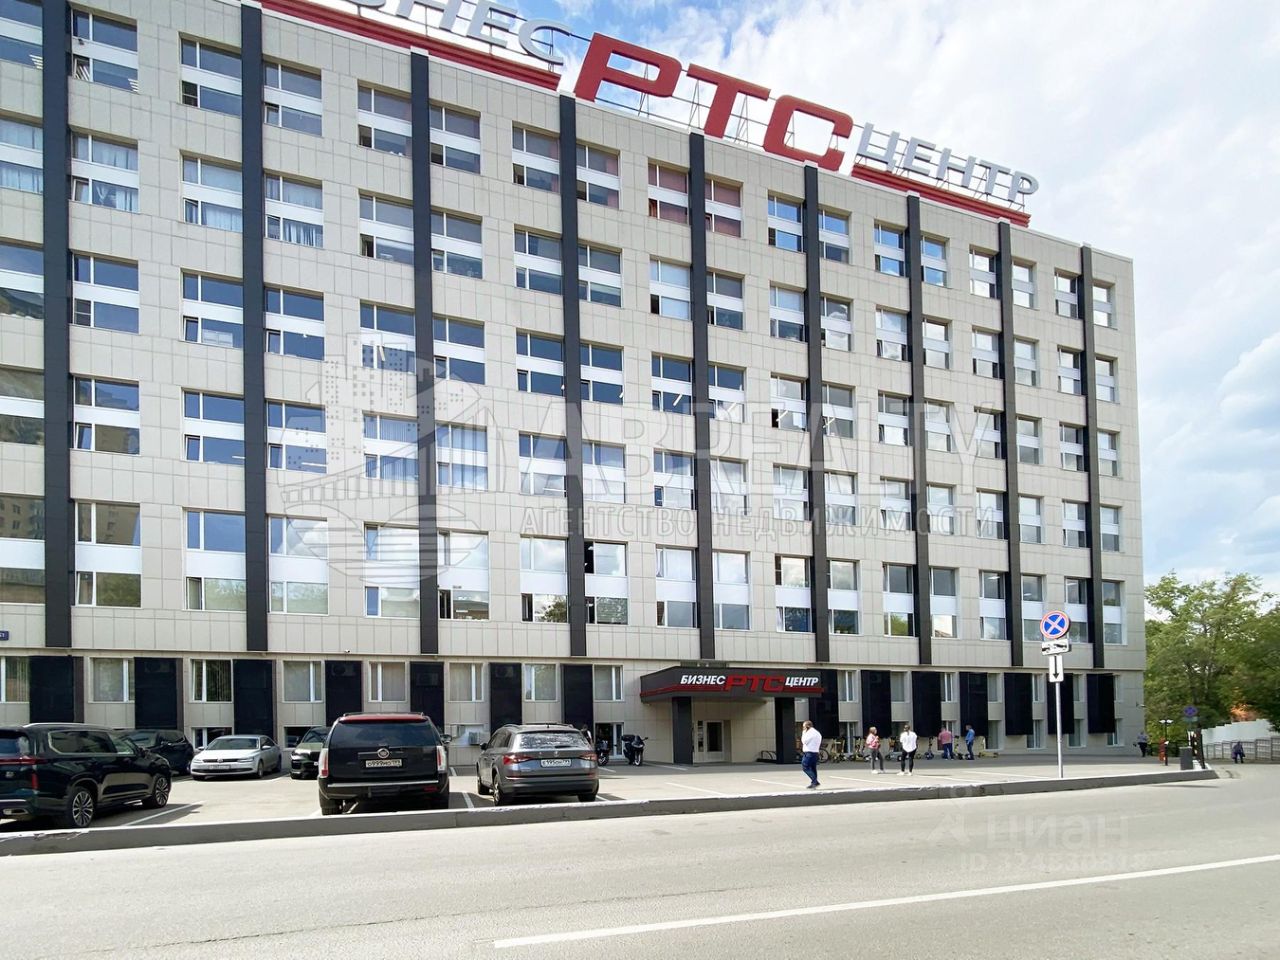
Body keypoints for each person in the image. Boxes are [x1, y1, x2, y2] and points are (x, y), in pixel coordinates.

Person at [800, 720, 822, 789]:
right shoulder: (817, 733)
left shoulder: (809, 733)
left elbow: (804, 741)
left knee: (805, 767)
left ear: (807, 726)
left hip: (809, 752)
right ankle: (814, 783)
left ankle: (815, 781)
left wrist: (804, 733)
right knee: (813, 768)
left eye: (803, 726)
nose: (803, 728)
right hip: (815, 752)